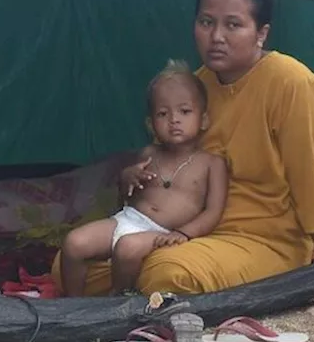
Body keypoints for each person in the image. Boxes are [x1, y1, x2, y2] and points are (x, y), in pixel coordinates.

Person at [51, 0, 314, 296]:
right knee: (68, 262)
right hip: (185, 231)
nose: (216, 36)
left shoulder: (293, 85)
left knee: (168, 275)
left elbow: (310, 185)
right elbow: (168, 168)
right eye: (206, 23)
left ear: (261, 33)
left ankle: (135, 294)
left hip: (262, 239)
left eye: (233, 25)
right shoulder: (197, 87)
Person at [60, 61, 228, 297]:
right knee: (73, 243)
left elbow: (213, 212)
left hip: (163, 232)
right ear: (150, 124)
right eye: (163, 113)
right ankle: (71, 306)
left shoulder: (211, 163)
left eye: (185, 111)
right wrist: (127, 178)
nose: (174, 120)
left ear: (203, 120)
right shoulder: (149, 154)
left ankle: (118, 300)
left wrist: (184, 233)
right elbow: (125, 199)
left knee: (127, 248)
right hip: (128, 219)